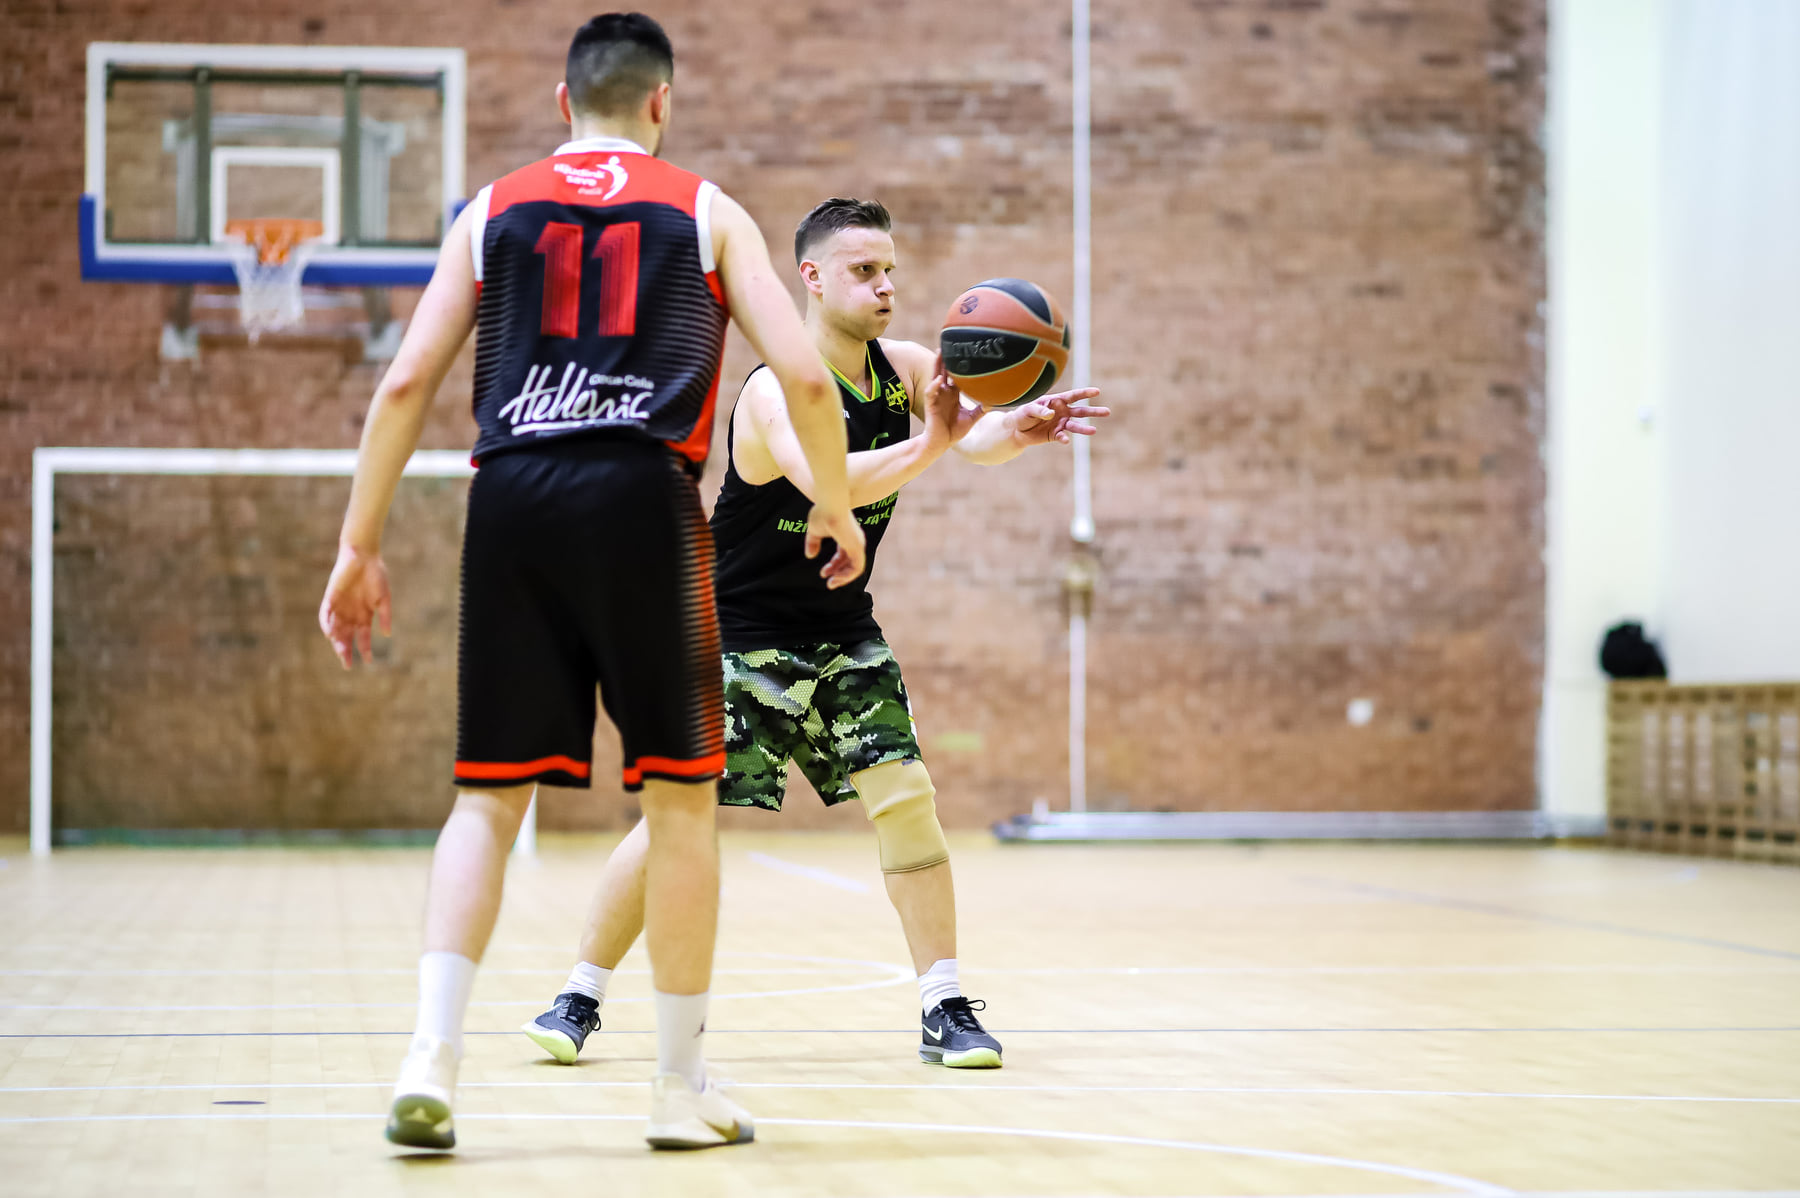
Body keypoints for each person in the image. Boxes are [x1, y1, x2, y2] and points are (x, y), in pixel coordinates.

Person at [318, 12, 865, 1152]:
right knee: (680, 801)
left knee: (487, 798)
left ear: (564, 102)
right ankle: (675, 1085)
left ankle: (430, 1059)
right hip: (643, 503)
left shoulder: (491, 209)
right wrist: (830, 501)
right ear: (662, 102)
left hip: (512, 496)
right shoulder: (707, 210)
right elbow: (807, 379)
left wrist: (358, 544)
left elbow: (407, 379)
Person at [522, 197, 1108, 1072]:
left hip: (843, 631)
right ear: (813, 278)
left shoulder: (906, 367)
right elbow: (832, 481)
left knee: (907, 801)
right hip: (737, 637)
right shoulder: (774, 389)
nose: (886, 286)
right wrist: (936, 444)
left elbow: (970, 436)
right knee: (680, 822)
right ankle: (578, 995)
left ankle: (944, 1004)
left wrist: (1014, 429)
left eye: (891, 270)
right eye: (865, 271)